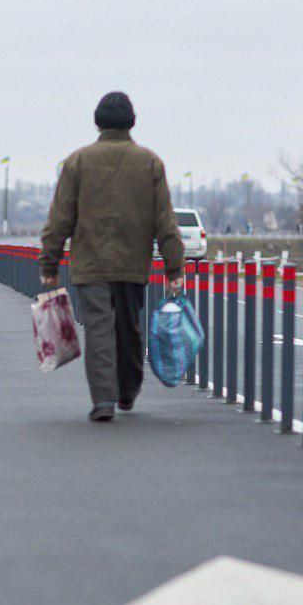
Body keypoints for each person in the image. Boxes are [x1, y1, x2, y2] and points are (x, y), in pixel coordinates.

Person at [39, 91, 185, 422]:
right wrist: (175, 266)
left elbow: (60, 218)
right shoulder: (150, 162)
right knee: (129, 326)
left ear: (98, 122)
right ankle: (128, 390)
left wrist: (49, 263)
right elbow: (166, 220)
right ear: (132, 122)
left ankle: (103, 400)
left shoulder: (77, 162)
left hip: (90, 264)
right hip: (133, 263)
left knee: (100, 329)